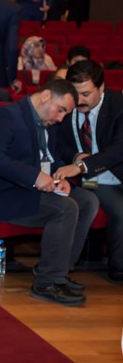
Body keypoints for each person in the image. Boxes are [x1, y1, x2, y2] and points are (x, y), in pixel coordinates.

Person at [0, 79, 98, 306]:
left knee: (88, 200)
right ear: (46, 96)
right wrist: (34, 177)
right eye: (60, 110)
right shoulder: (6, 116)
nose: (60, 118)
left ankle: (60, 269)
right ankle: (47, 283)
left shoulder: (48, 122)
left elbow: (51, 157)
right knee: (65, 208)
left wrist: (61, 178)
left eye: (65, 114)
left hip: (32, 189)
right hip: (4, 194)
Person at [55, 60, 123, 286]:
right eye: (75, 93)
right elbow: (58, 145)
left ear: (101, 88)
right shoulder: (64, 105)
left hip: (113, 168)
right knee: (120, 211)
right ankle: (119, 269)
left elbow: (118, 150)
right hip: (90, 179)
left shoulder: (118, 105)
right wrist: (76, 157)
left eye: (85, 94)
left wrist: (85, 164)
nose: (79, 100)